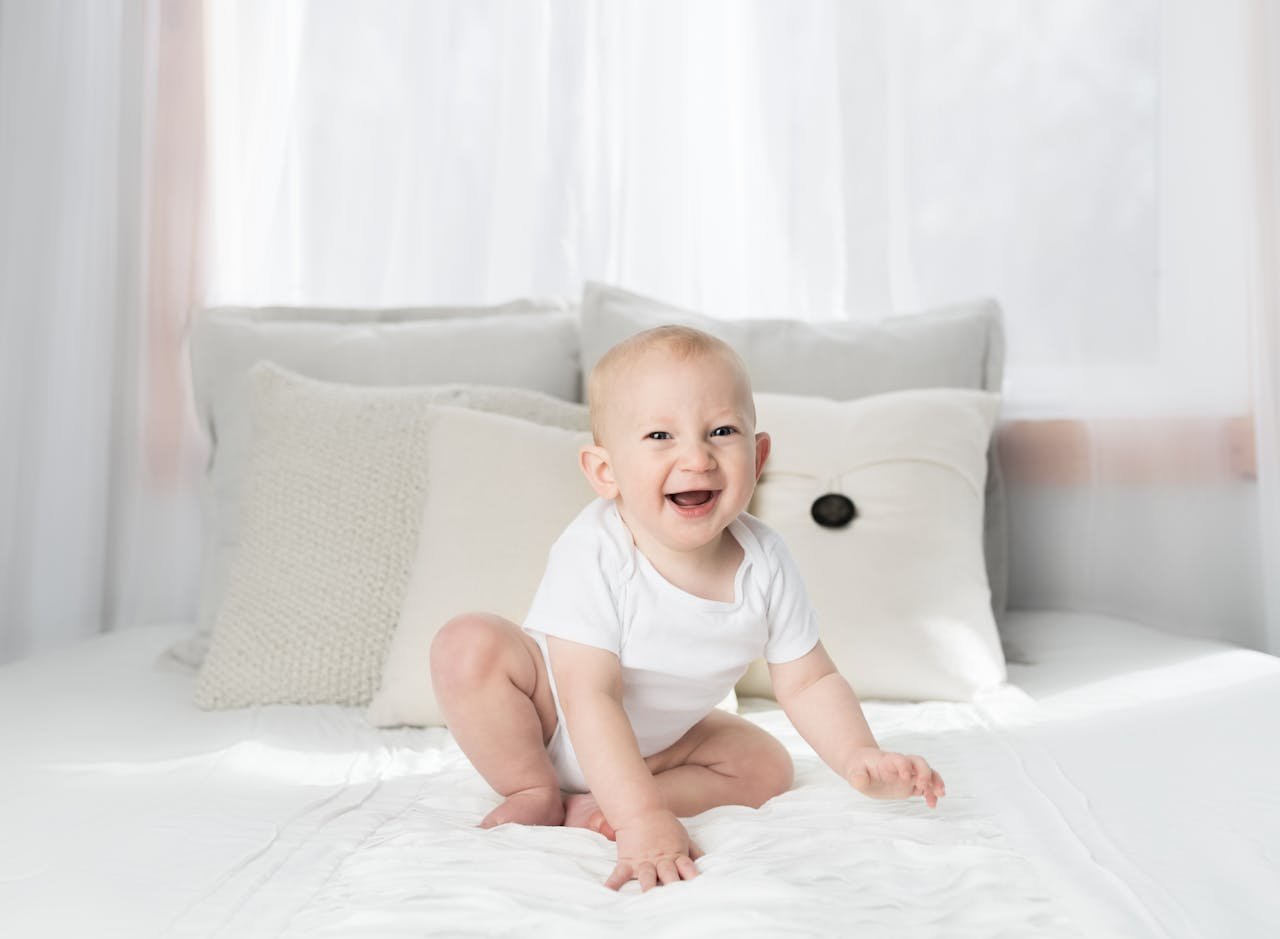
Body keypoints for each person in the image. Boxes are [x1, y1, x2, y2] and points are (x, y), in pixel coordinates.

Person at [430, 325, 946, 893]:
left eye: (722, 431)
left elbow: (809, 680)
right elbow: (589, 696)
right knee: (468, 643)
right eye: (659, 435)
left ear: (760, 454)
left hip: (659, 745)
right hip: (551, 716)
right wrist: (644, 822)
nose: (696, 458)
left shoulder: (765, 560)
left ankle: (598, 804)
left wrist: (858, 756)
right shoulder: (596, 549)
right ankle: (535, 789)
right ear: (606, 472)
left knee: (766, 765)